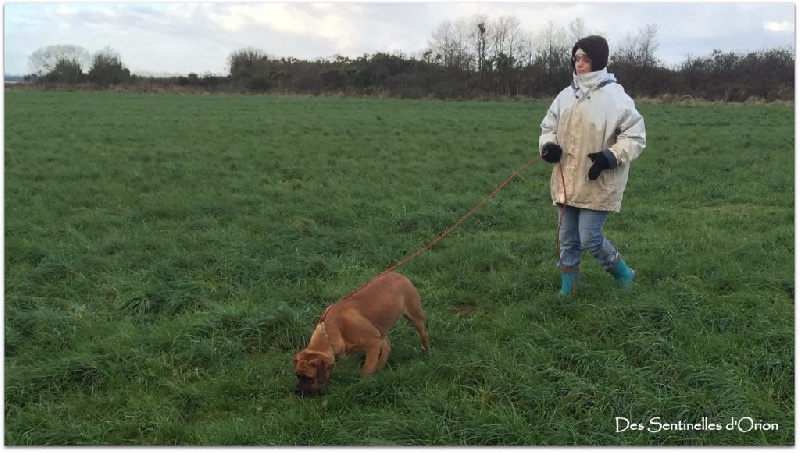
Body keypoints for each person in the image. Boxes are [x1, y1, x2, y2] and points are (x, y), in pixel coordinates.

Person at [538, 35, 646, 296]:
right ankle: (569, 289)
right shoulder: (565, 96)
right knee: (567, 238)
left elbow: (635, 136)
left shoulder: (617, 98)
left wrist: (611, 156)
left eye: (586, 59)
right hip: (566, 179)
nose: (580, 64)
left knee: (590, 238)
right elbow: (548, 127)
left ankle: (624, 275)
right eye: (577, 58)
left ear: (598, 61)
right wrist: (548, 146)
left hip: (598, 181)